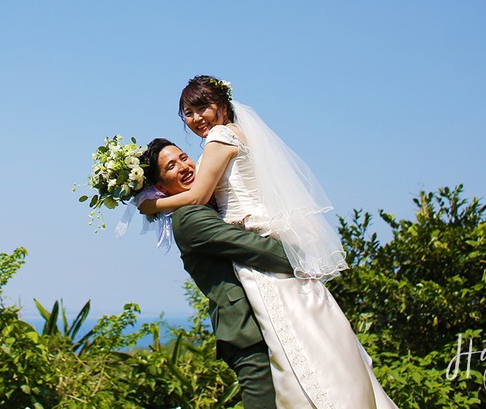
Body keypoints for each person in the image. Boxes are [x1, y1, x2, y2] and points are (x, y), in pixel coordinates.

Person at [139, 76, 397, 409]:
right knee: (314, 336)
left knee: (294, 344)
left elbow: (201, 194)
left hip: (255, 244)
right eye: (188, 112)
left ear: (223, 105)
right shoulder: (233, 137)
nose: (196, 118)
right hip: (258, 240)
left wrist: (152, 204)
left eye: (203, 107)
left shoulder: (221, 136)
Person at [138, 137, 294, 409]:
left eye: (184, 157)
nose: (184, 166)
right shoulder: (190, 219)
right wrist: (304, 259)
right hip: (246, 331)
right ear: (161, 187)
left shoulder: (211, 203)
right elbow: (256, 249)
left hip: (266, 316)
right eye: (171, 166)